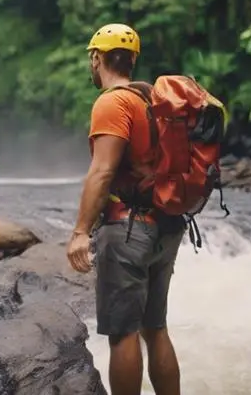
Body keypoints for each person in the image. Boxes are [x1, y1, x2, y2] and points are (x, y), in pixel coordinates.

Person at [66, 24, 188, 395]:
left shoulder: (112, 102)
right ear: (132, 59)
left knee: (123, 334)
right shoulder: (152, 98)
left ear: (96, 58)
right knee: (156, 328)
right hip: (167, 223)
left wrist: (80, 232)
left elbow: (102, 171)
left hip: (128, 229)